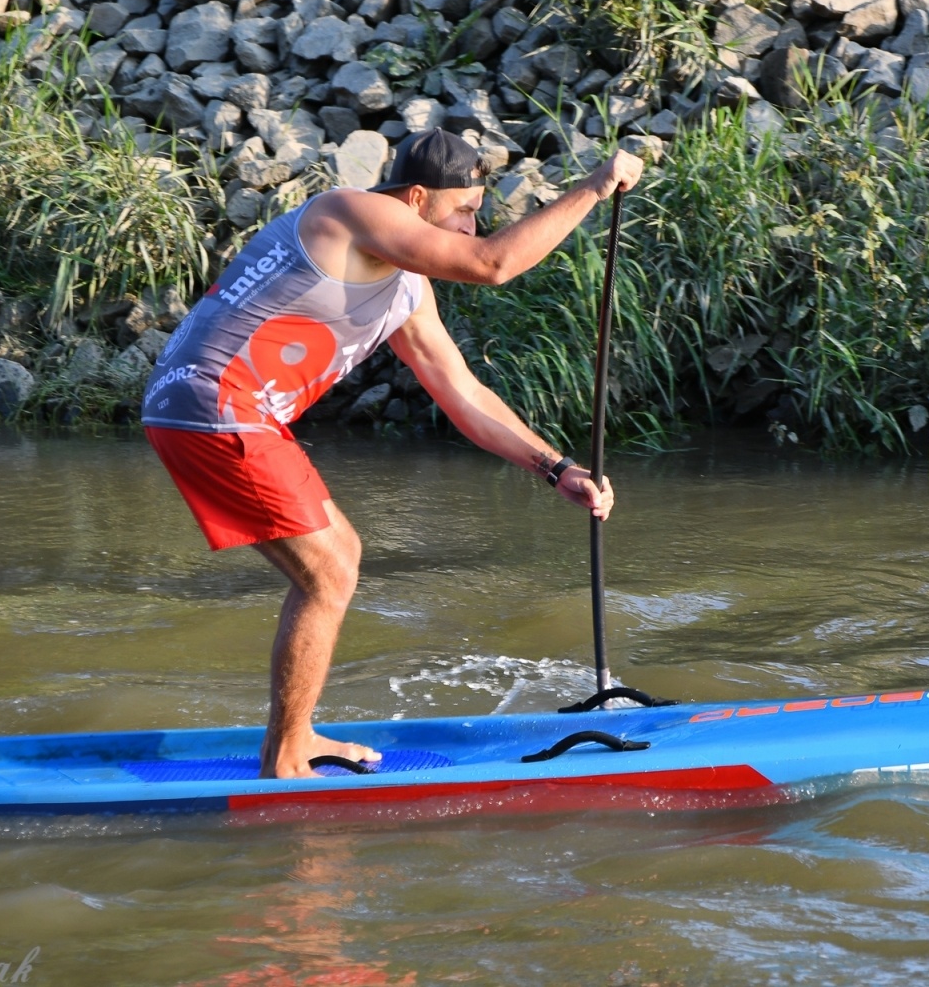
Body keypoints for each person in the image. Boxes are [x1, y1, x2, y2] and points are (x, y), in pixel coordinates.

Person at [141, 129, 645, 779]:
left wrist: (556, 467)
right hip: (215, 400)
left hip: (208, 408)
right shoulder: (350, 211)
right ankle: (286, 755)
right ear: (415, 199)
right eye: (464, 210)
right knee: (330, 571)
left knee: (333, 564)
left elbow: (463, 394)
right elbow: (493, 264)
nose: (471, 226)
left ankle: (293, 738)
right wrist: (594, 188)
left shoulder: (407, 289)